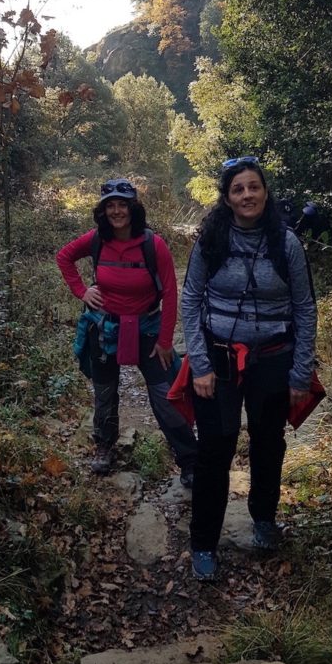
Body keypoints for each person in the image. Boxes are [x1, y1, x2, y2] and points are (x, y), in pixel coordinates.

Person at [181, 156, 317, 581]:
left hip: (273, 357)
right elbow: (190, 300)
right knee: (214, 449)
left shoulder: (286, 243)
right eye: (238, 189)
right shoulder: (211, 240)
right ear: (226, 197)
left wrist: (300, 372)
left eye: (253, 187)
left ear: (264, 191)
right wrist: (199, 363)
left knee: (267, 442)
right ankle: (203, 543)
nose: (247, 195)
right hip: (219, 358)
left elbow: (304, 308)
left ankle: (263, 519)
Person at [57, 178, 197, 482]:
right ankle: (104, 448)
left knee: (164, 393)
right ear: (103, 210)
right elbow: (64, 256)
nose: (117, 211)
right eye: (111, 205)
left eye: (123, 204)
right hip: (105, 327)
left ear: (133, 208)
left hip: (147, 327)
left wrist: (165, 341)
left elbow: (171, 293)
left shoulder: (152, 244)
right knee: (105, 391)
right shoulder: (96, 240)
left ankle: (188, 459)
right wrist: (81, 291)